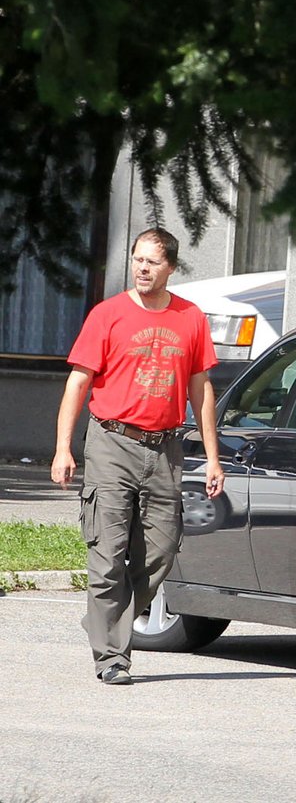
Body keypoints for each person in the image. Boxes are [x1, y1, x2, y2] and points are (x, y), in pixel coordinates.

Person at [50, 227, 226, 685]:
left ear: (170, 267)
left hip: (165, 448)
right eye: (137, 259)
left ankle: (105, 618)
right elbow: (78, 382)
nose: (142, 268)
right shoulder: (107, 315)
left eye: (152, 261)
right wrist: (63, 448)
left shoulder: (191, 319)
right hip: (111, 442)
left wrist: (213, 456)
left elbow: (200, 389)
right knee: (107, 556)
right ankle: (112, 657)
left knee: (164, 550)